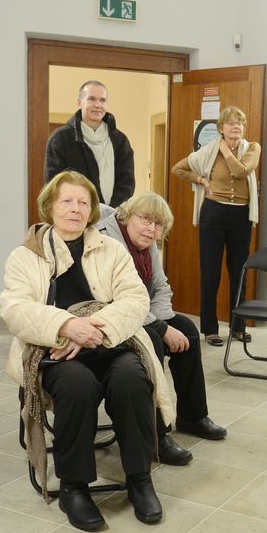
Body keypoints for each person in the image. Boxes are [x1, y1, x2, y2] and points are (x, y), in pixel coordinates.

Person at [0, 171, 174, 531]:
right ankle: (73, 487)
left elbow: (135, 298)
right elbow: (14, 309)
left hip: (110, 342)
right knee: (77, 385)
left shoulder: (112, 249)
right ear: (50, 206)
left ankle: (140, 479)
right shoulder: (25, 255)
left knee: (132, 379)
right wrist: (66, 326)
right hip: (55, 349)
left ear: (93, 209)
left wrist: (94, 327)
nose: (75, 209)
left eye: (83, 202)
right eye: (66, 201)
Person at [98, 194, 228, 466]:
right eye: (145, 219)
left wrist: (162, 320)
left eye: (158, 225)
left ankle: (192, 416)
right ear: (127, 216)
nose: (151, 229)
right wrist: (159, 327)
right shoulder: (107, 241)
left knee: (187, 330)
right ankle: (156, 434)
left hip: (142, 315)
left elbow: (160, 286)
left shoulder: (147, 245)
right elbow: (115, 298)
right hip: (113, 318)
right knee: (154, 341)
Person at [172, 106, 261, 347]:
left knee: (239, 271)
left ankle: (238, 326)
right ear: (221, 128)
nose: (236, 127)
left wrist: (224, 149)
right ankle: (210, 329)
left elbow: (241, 171)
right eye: (230, 123)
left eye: (239, 123)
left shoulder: (252, 148)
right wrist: (200, 179)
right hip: (213, 213)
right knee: (210, 273)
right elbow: (178, 168)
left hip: (241, 215)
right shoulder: (208, 151)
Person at [44, 80, 135, 207]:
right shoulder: (60, 139)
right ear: (79, 103)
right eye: (91, 99)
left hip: (113, 213)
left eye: (102, 100)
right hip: (75, 212)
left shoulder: (120, 140)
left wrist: (110, 212)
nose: (98, 105)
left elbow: (127, 182)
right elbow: (54, 184)